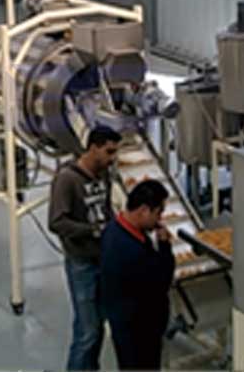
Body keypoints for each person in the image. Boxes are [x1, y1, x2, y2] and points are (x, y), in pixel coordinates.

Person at [49, 126, 122, 371]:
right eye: (109, 152)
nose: (112, 158)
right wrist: (92, 230)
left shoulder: (104, 175)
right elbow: (57, 222)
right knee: (87, 332)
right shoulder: (67, 179)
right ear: (93, 148)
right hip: (82, 264)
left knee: (97, 328)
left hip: (103, 259)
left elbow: (106, 209)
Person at [100, 179, 175, 371]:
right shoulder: (131, 250)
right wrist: (165, 247)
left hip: (124, 323)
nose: (159, 220)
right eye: (158, 213)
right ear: (143, 210)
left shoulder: (113, 230)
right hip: (140, 329)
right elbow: (162, 282)